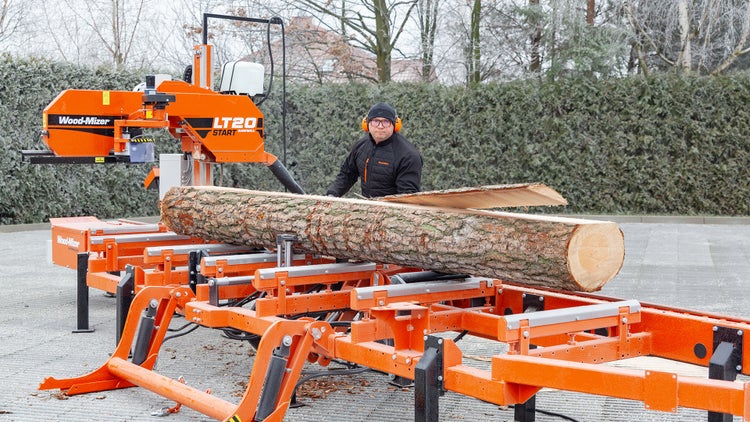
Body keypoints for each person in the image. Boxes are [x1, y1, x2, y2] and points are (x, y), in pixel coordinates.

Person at [326, 102, 423, 198]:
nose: (380, 126)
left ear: (395, 125)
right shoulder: (361, 145)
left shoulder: (408, 156)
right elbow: (347, 174)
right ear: (367, 124)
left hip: (392, 210)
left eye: (386, 122)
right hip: (369, 207)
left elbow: (407, 197)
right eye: (376, 121)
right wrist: (332, 194)